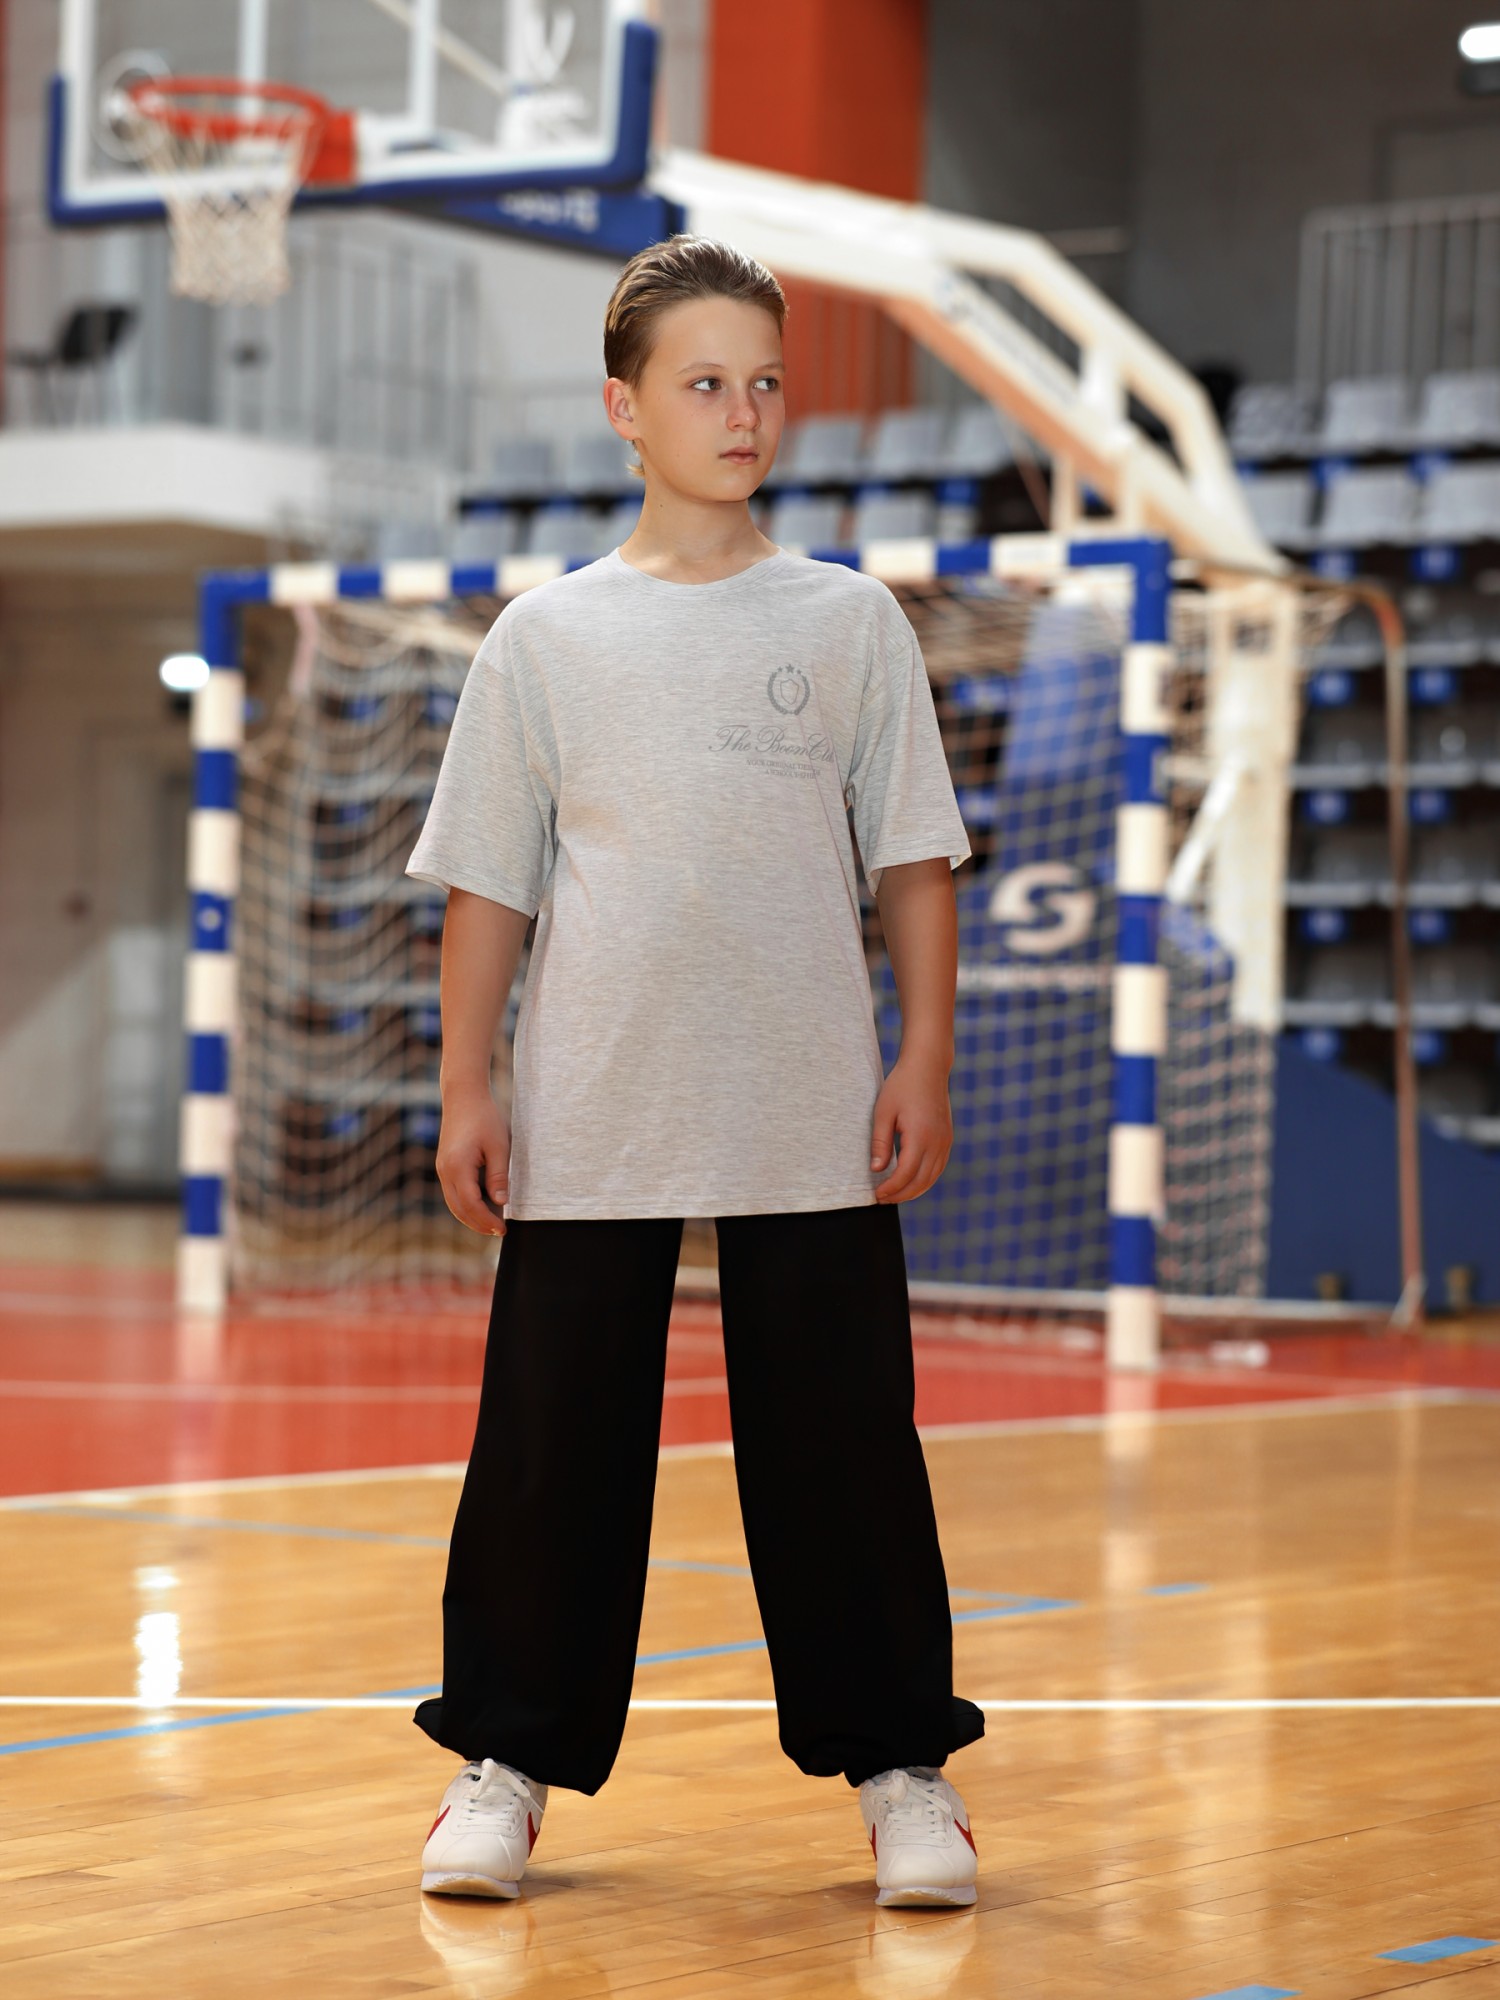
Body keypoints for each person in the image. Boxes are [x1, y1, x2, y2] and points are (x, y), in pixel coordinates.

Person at [404, 233, 984, 1911]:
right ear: (625, 408)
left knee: (848, 1453)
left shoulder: (853, 621)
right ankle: (504, 1767)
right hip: (596, 1111)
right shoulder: (544, 638)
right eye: (706, 383)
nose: (744, 414)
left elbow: (915, 862)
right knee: (548, 1457)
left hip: (810, 1104)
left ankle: (903, 1775)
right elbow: (490, 887)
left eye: (766, 383)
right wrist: (467, 1085)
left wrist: (925, 1053)